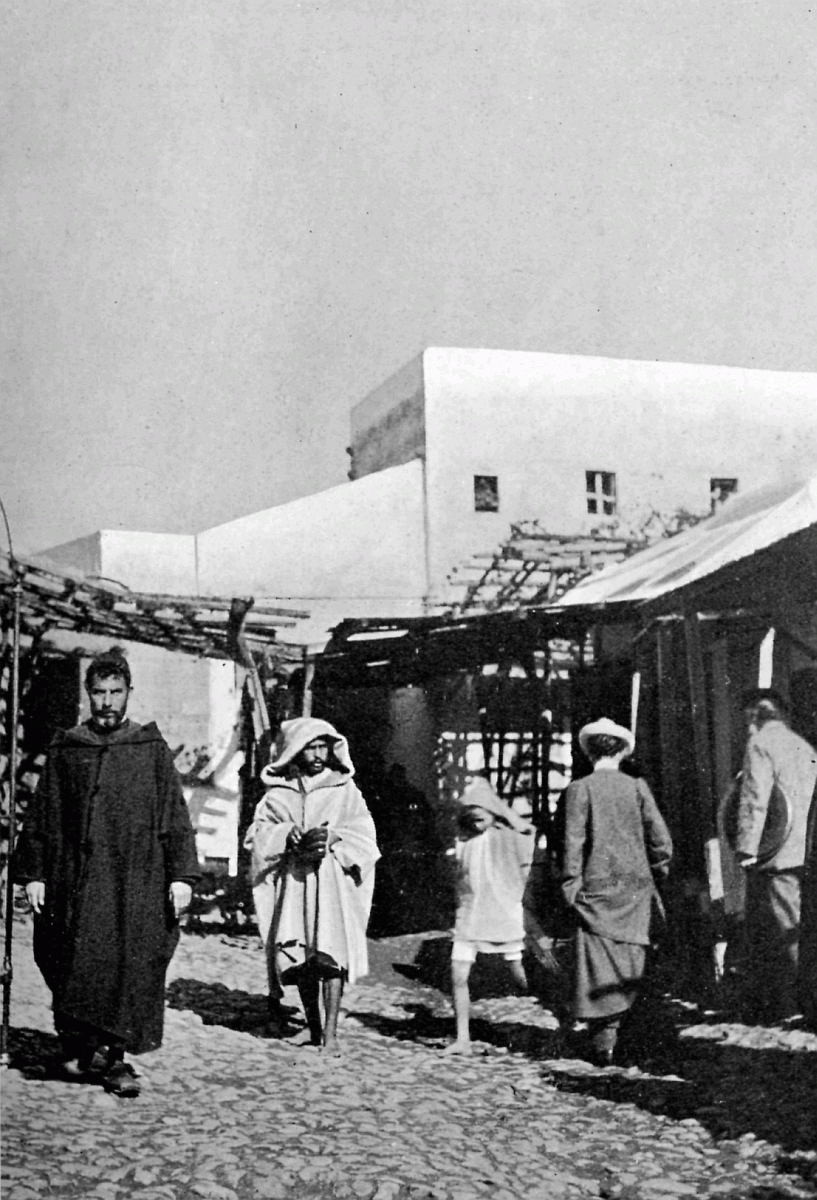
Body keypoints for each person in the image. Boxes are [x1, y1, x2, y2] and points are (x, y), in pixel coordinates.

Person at [13, 650, 199, 1097]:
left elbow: (175, 815)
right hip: (75, 882)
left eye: (116, 692)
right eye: (99, 693)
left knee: (128, 965)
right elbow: (44, 813)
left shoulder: (150, 750)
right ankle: (83, 1048)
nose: (107, 702)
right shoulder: (68, 748)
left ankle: (114, 1059)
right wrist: (34, 873)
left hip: (133, 882)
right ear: (88, 694)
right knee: (69, 959)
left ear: (129, 692)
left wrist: (181, 876)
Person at [246, 717, 380, 1056]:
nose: (318, 754)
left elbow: (364, 833)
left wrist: (335, 837)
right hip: (295, 882)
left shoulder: (343, 789)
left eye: (323, 747)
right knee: (302, 953)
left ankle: (331, 1034)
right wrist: (284, 834)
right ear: (295, 750)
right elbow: (256, 834)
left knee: (330, 953)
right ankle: (313, 1026)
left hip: (330, 883)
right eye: (310, 748)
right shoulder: (278, 793)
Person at [561, 718, 672, 1066]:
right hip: (635, 891)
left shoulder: (580, 789)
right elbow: (661, 841)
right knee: (632, 959)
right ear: (623, 752)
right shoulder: (637, 787)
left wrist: (571, 888)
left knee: (598, 965)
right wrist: (657, 874)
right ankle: (627, 1035)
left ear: (588, 752)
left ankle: (605, 1038)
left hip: (596, 891)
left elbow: (572, 844)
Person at [734, 688, 817, 1022]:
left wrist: (747, 847)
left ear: (755, 715)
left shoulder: (760, 744)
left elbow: (756, 797)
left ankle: (797, 1005)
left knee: (781, 929)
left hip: (776, 853)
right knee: (800, 926)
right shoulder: (802, 745)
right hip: (805, 849)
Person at [443, 776, 535, 1056]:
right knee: (458, 976)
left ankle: (558, 1010)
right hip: (469, 916)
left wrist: (497, 806)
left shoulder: (507, 837)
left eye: (482, 816)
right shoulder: (464, 840)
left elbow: (528, 831)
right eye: (472, 817)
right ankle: (462, 1038)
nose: (476, 822)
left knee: (520, 973)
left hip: (502, 914)